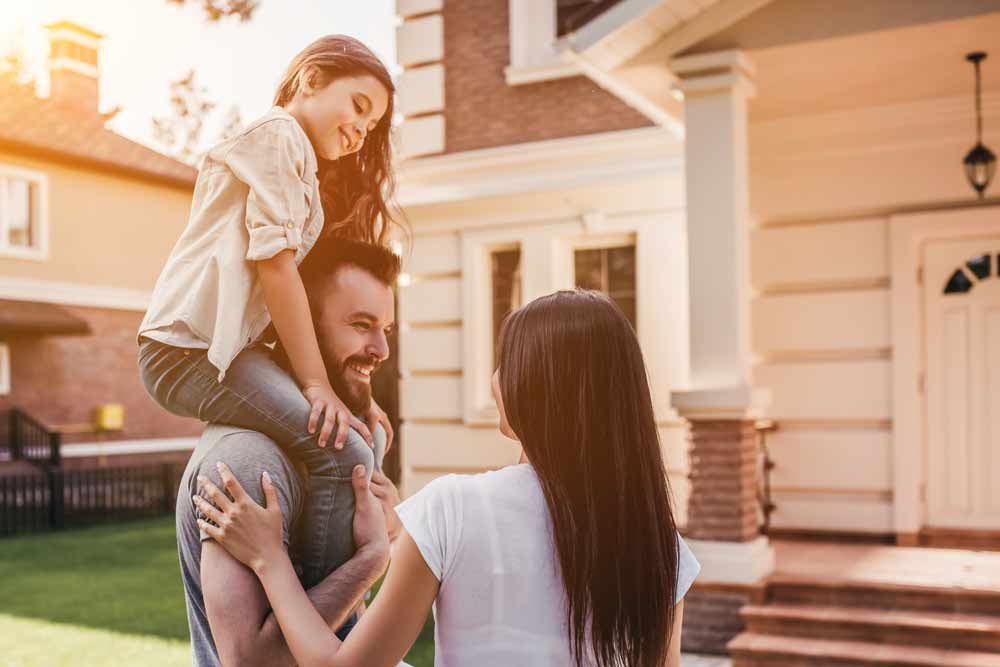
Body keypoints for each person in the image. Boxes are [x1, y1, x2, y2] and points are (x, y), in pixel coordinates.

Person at [198, 289, 701, 667]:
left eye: (505, 363)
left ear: (532, 389)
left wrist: (270, 559)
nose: (495, 379)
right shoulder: (661, 547)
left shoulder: (455, 508)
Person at [138, 35, 403, 587]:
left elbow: (294, 300)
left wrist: (357, 395)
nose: (361, 131)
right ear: (310, 80)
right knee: (343, 450)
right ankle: (310, 624)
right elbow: (276, 269)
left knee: (361, 436)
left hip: (228, 353)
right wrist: (315, 386)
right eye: (358, 107)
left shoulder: (302, 170)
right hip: (184, 353)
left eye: (372, 126)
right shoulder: (278, 135)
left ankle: (323, 614)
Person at [174, 239, 404, 666]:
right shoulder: (245, 462)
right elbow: (251, 662)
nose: (382, 350)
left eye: (385, 330)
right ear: (301, 329)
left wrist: (387, 531)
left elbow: (353, 622)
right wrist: (373, 557)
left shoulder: (352, 443)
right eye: (360, 324)